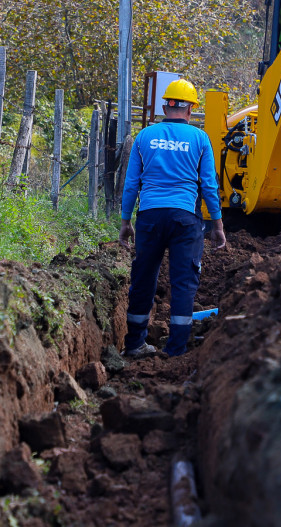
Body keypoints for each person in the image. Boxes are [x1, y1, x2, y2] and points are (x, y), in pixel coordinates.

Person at [118, 78, 226, 358]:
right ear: (191, 109)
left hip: (150, 217)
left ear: (165, 106)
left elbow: (131, 184)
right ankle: (176, 350)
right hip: (185, 219)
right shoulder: (200, 139)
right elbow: (209, 186)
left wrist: (125, 221)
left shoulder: (144, 136)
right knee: (183, 283)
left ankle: (134, 345)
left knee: (143, 279)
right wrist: (217, 225)